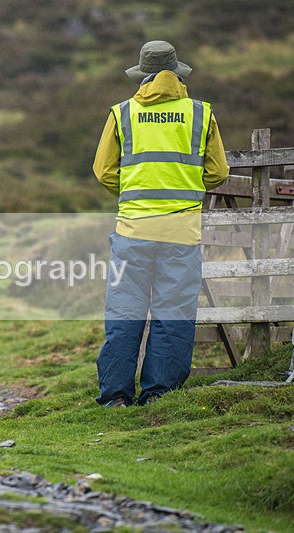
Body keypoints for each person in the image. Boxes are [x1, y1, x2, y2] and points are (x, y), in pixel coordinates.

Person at [93, 41, 229, 407]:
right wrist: (186, 187)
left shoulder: (122, 113)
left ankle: (116, 397)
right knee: (173, 315)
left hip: (133, 232)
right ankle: (159, 395)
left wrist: (135, 191)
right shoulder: (201, 113)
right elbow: (218, 173)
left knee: (125, 314)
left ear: (142, 75)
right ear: (177, 73)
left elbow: (104, 171)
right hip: (181, 234)